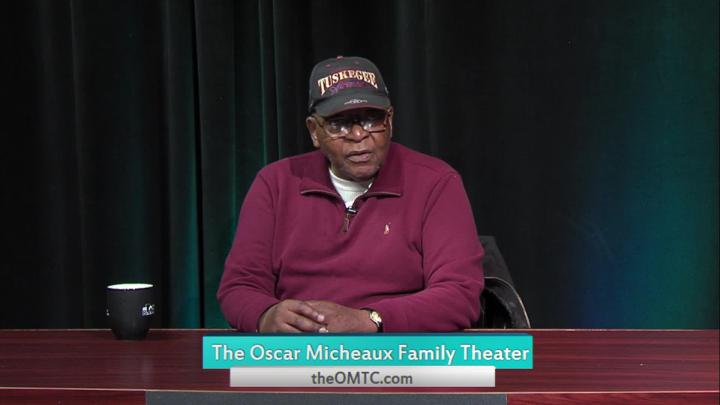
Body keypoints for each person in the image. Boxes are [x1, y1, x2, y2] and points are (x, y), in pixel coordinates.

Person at [217, 56, 484, 333]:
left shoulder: (435, 182)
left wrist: (369, 320)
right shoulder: (275, 183)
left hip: (398, 348)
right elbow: (240, 286)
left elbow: (460, 294)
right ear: (314, 131)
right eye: (339, 123)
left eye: (371, 120)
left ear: (390, 120)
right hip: (299, 349)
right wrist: (266, 315)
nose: (358, 135)